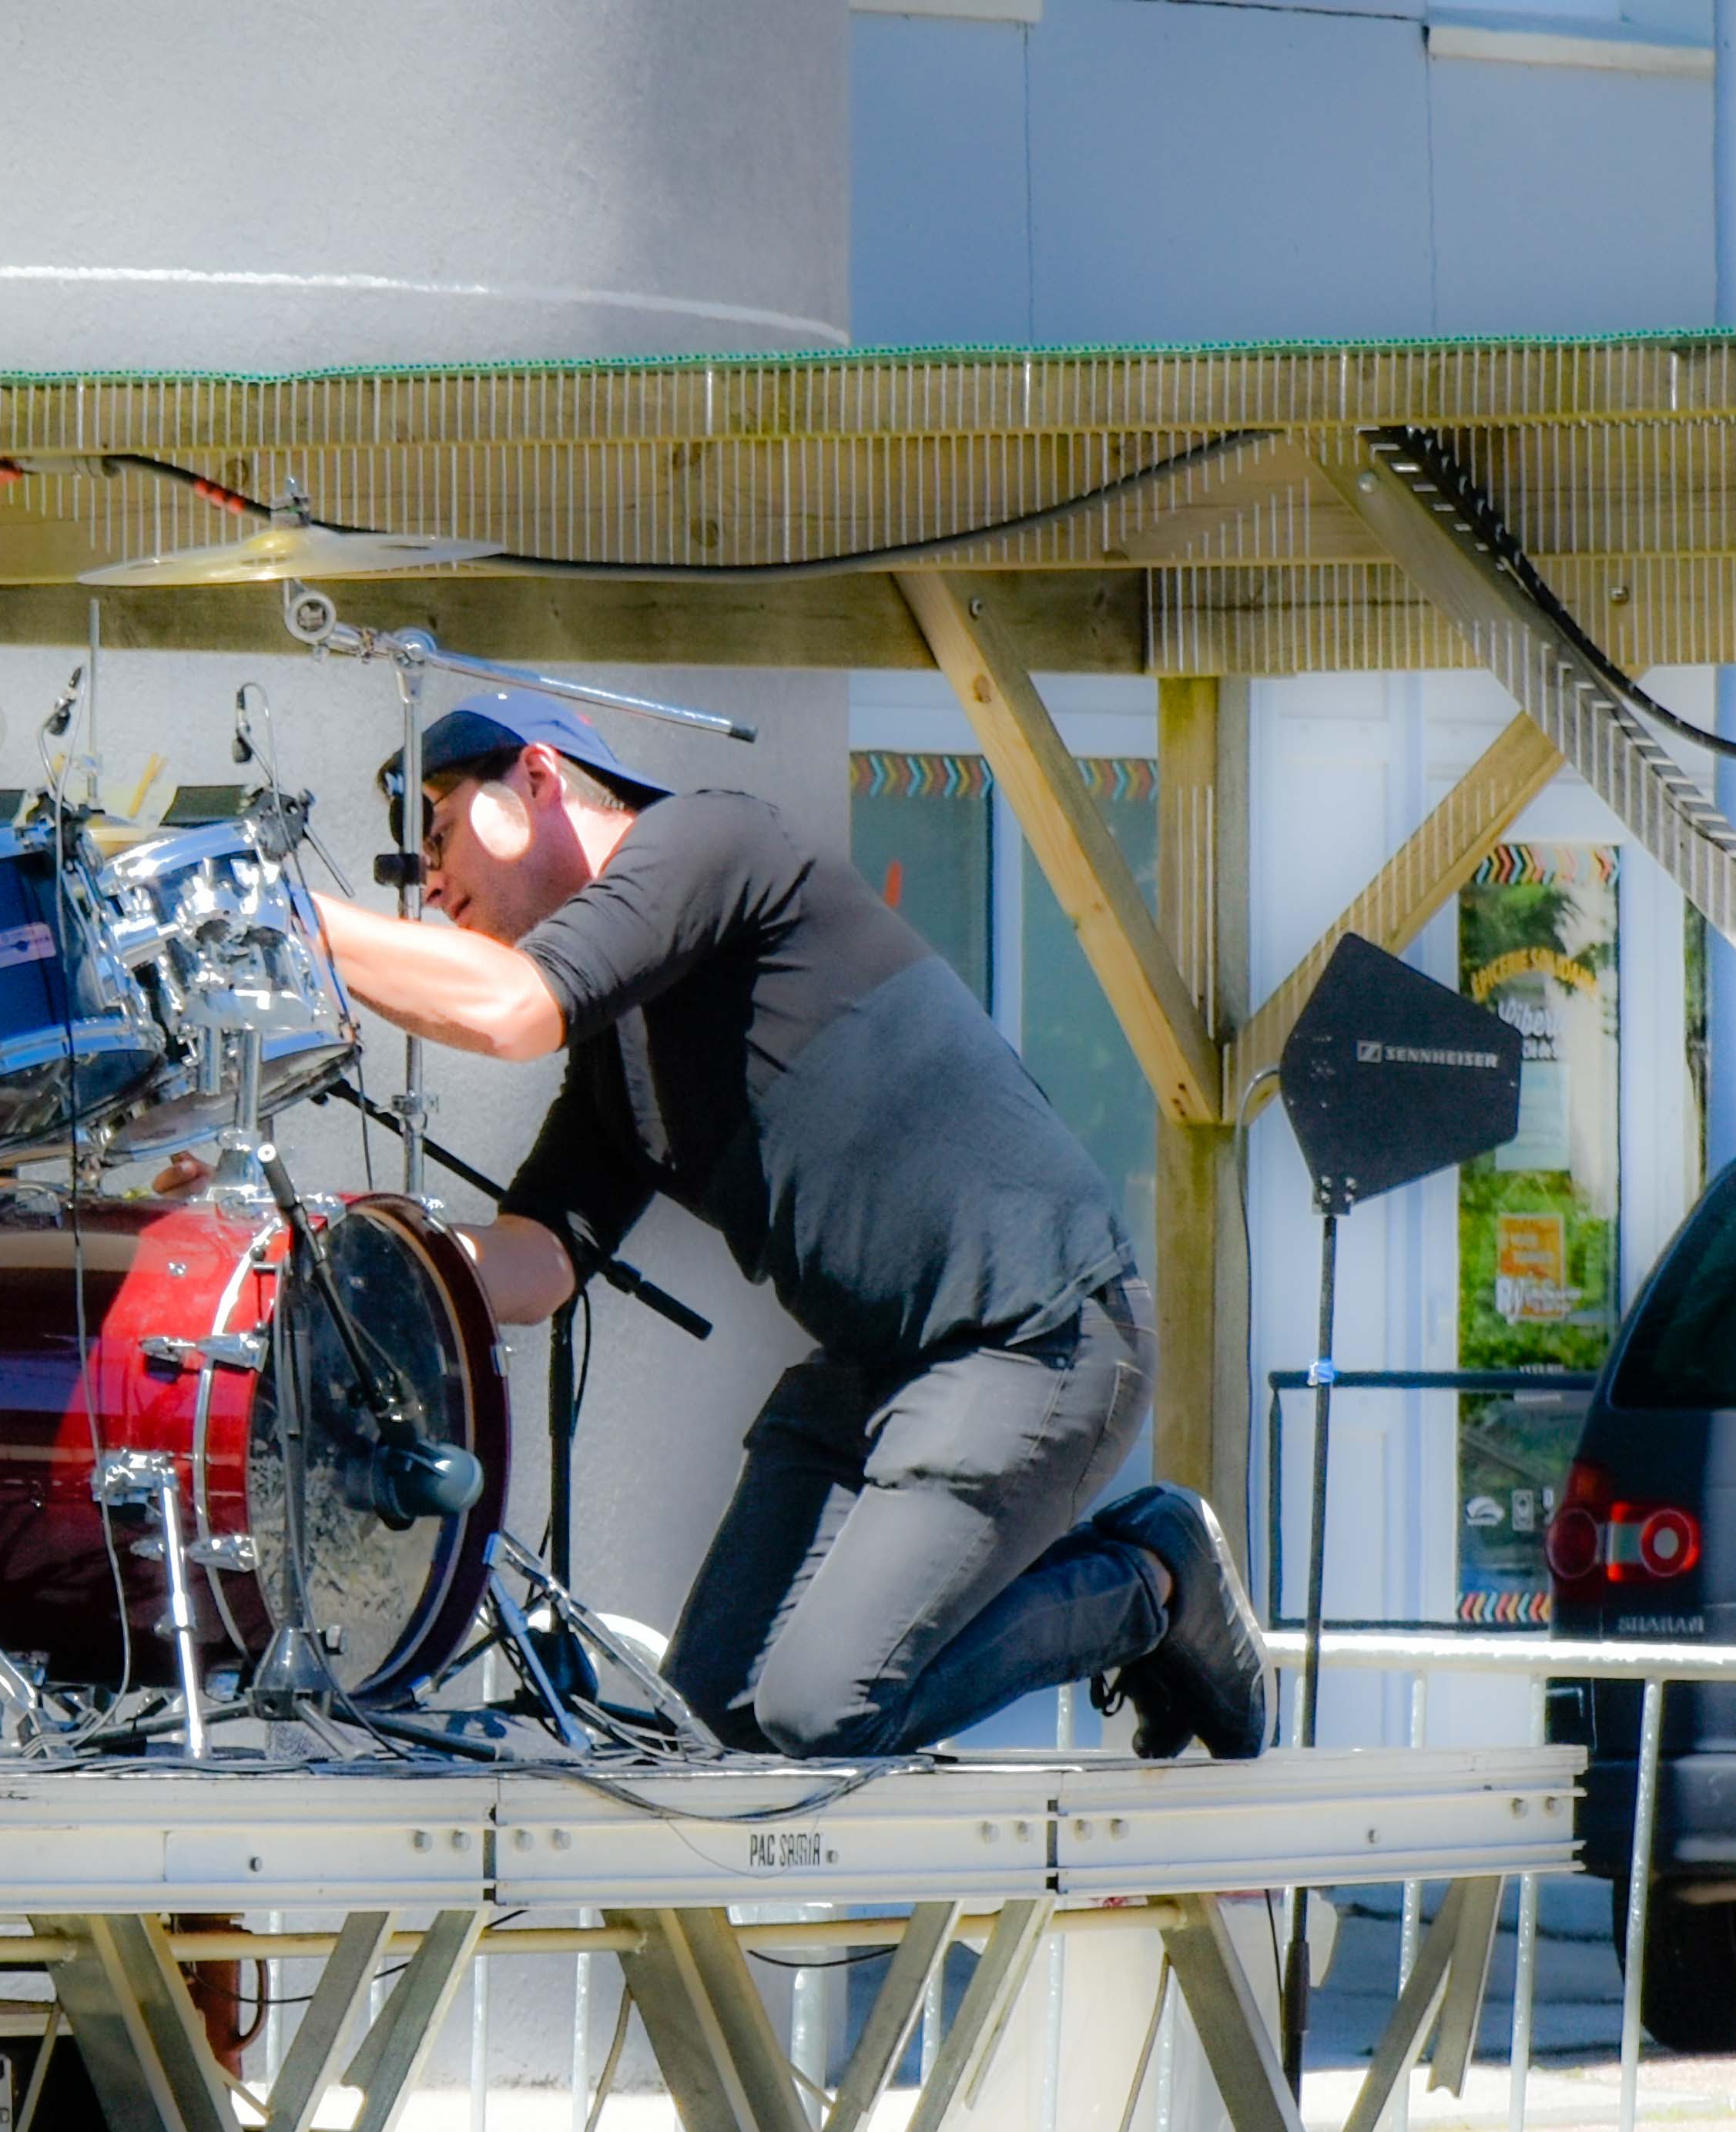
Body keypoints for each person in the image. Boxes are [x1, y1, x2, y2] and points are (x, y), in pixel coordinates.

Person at [306, 691, 1268, 1760]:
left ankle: (1153, 1578)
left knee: (826, 1713)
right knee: (709, 1728)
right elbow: (535, 1264)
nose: (430, 885)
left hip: (1036, 1334)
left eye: (438, 833)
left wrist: (301, 926)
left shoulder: (712, 837)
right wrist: (333, 1263)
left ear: (537, 778)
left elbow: (508, 1009)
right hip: (872, 1371)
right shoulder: (620, 1059)